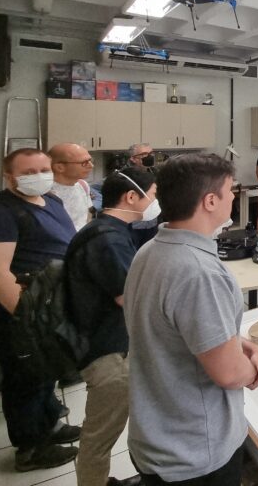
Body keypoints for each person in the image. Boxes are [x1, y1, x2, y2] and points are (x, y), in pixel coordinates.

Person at [124, 153, 258, 485]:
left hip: (156, 435)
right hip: (195, 453)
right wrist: (254, 368)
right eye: (230, 190)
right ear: (210, 201)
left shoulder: (150, 251)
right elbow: (230, 374)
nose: (234, 197)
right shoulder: (200, 273)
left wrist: (234, 342)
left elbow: (169, 327)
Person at [65, 169, 156, 486]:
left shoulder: (108, 230)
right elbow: (128, 298)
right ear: (131, 197)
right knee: (100, 436)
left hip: (110, 342)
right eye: (152, 195)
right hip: (109, 354)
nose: (155, 202)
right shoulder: (108, 240)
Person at [0, 148, 81, 472]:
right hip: (24, 309)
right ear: (10, 177)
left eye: (43, 170)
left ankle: (51, 425)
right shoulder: (4, 212)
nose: (39, 177)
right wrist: (25, 317)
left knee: (47, 370)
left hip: (51, 304)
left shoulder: (51, 200)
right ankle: (30, 448)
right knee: (25, 378)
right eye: (28, 172)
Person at [48, 142, 94, 230]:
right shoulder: (45, 192)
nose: (91, 166)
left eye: (90, 161)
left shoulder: (83, 185)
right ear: (59, 167)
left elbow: (87, 215)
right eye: (84, 162)